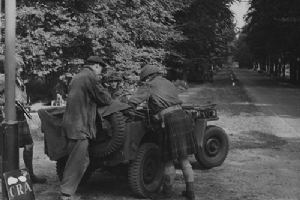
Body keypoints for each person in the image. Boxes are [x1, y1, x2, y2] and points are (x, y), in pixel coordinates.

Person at [128, 64, 196, 200]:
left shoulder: (149, 85)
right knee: (184, 158)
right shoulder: (168, 82)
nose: (144, 82)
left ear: (147, 77)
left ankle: (168, 194)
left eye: (144, 79)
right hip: (182, 116)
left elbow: (133, 102)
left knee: (168, 160)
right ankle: (190, 192)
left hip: (169, 120)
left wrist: (126, 105)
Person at [59, 56, 112, 200]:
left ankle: (68, 190)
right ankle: (66, 194)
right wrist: (109, 94)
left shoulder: (77, 77)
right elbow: (104, 99)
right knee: (78, 161)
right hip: (80, 125)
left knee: (81, 160)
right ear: (95, 66)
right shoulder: (90, 77)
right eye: (100, 68)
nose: (100, 72)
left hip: (72, 123)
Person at [0, 56, 47, 184]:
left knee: (29, 145)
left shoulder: (18, 80)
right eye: (17, 68)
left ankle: (30, 174)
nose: (20, 70)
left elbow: (20, 97)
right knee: (6, 148)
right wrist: (5, 104)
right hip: (8, 117)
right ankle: (5, 178)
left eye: (19, 68)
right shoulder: (3, 79)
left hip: (20, 116)